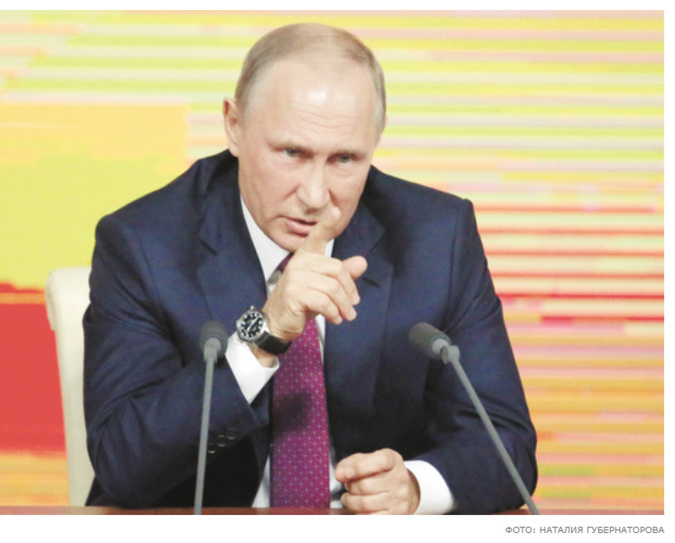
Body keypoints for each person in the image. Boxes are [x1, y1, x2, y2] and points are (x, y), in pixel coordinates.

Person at [83, 23, 537, 514]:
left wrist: (414, 487)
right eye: (292, 153)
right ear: (234, 125)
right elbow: (124, 466)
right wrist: (264, 336)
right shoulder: (145, 243)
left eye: (344, 159)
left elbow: (506, 444)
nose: (316, 196)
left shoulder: (435, 238)